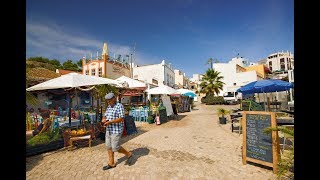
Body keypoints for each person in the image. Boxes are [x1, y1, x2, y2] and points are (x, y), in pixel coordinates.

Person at [101, 92, 133, 170]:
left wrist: (110, 122)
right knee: (108, 146)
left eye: (110, 100)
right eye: (108, 101)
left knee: (115, 147)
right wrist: (104, 119)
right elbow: (105, 115)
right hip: (109, 129)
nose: (109, 102)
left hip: (116, 130)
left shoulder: (119, 106)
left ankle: (128, 154)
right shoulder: (109, 106)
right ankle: (111, 163)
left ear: (114, 99)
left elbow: (121, 118)